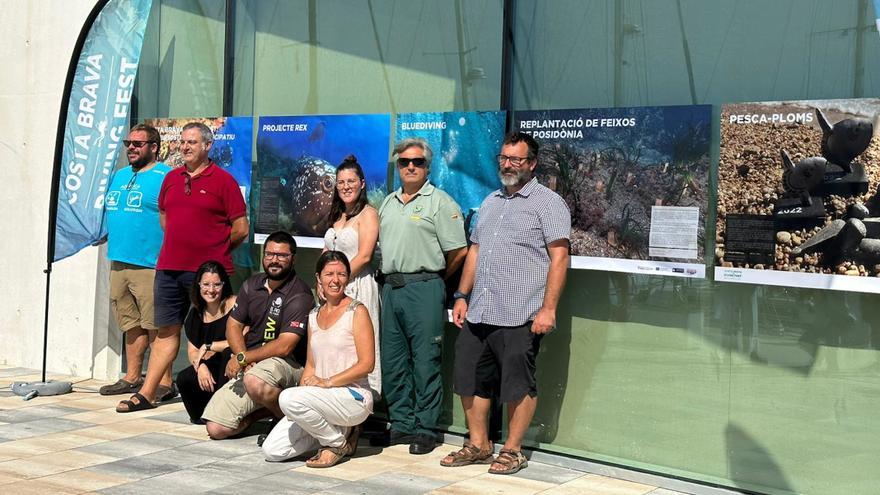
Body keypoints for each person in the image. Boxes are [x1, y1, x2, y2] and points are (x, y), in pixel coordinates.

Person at [442, 132, 570, 475]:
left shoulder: (548, 203)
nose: (508, 164)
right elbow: (475, 251)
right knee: (469, 377)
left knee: (517, 383)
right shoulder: (490, 202)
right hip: (480, 309)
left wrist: (549, 308)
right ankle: (479, 444)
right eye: (504, 158)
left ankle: (513, 450)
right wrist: (461, 295)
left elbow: (559, 258)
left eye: (516, 159)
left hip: (521, 312)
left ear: (532, 164)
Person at [117, 121, 249, 413]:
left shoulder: (223, 181)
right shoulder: (172, 178)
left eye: (192, 142)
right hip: (169, 268)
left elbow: (240, 229)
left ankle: (227, 399)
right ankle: (147, 392)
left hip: (208, 274)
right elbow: (165, 218)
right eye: (183, 142)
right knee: (166, 331)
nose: (186, 147)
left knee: (220, 334)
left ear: (207, 146)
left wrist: (214, 253)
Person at [377, 138, 467, 454]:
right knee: (393, 361)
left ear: (428, 166)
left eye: (417, 162)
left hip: (425, 286)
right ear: (398, 166)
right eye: (404, 162)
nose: (411, 167)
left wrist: (436, 277)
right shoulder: (387, 203)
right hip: (391, 289)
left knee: (426, 362)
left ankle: (426, 428)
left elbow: (458, 250)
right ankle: (401, 424)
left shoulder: (439, 202)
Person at [262, 251, 376, 467]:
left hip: (352, 397)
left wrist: (328, 382)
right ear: (319, 278)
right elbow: (311, 365)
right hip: (321, 399)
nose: (335, 280)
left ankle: (336, 442)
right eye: (329, 274)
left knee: (287, 398)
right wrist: (306, 386)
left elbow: (367, 364)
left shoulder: (357, 311)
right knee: (273, 451)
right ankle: (331, 432)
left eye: (342, 274)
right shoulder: (314, 315)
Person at [202, 231, 311, 441]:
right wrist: (243, 356)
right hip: (253, 366)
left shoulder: (300, 294)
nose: (274, 260)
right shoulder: (252, 285)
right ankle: (265, 412)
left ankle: (290, 417)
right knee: (216, 429)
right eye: (269, 254)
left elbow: (285, 346)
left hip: (287, 365)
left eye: (282, 255)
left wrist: (243, 358)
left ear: (293, 259)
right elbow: (233, 325)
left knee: (255, 381)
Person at [101, 125, 172, 398]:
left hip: (151, 265)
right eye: (128, 143)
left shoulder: (166, 176)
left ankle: (164, 382)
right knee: (130, 323)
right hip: (118, 261)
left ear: (153, 147)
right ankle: (132, 376)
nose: (131, 148)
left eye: (138, 144)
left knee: (157, 325)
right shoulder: (119, 176)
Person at [323, 154, 381, 396]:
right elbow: (326, 252)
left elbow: (365, 255)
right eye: (341, 182)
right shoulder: (336, 216)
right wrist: (323, 281)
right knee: (335, 346)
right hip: (333, 291)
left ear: (362, 183)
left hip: (357, 287)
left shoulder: (368, 214)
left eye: (351, 181)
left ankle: (360, 409)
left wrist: (338, 279)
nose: (346, 187)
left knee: (358, 347)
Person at [176, 261, 238, 424]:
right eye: (206, 284)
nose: (211, 290)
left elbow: (243, 340)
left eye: (217, 284)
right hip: (210, 365)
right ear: (198, 285)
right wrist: (201, 366)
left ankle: (224, 414)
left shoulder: (236, 305)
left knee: (226, 355)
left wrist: (210, 346)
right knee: (184, 378)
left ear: (224, 284)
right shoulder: (195, 313)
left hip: (232, 364)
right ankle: (203, 416)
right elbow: (192, 352)